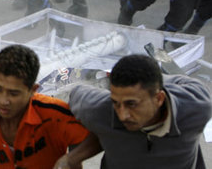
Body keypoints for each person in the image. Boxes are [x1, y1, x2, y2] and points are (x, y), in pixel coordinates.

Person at [55, 54, 212, 169]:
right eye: (116, 103)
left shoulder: (196, 106)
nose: (122, 115)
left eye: (132, 104)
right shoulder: (100, 109)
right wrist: (71, 159)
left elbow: (184, 82)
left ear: (159, 98)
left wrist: (152, 79)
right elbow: (76, 93)